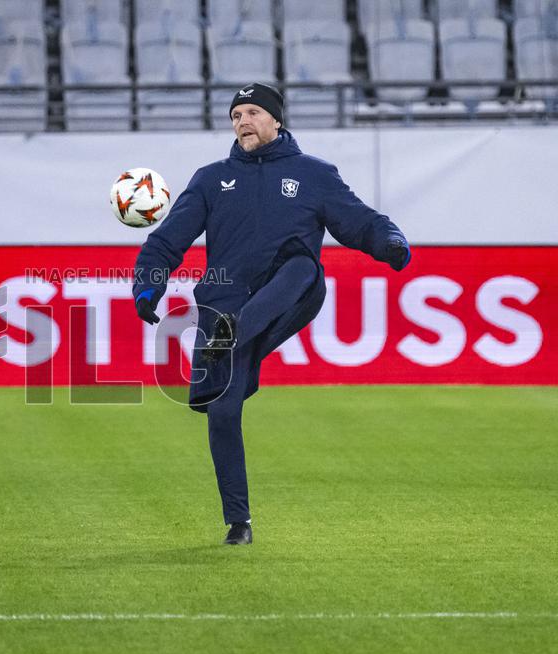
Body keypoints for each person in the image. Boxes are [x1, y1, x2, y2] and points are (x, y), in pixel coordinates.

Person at [132, 83, 411, 545]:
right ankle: (238, 523)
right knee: (221, 413)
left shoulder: (314, 174)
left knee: (303, 265)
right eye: (236, 113)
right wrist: (148, 285)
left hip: (291, 296)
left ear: (276, 120)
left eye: (253, 111)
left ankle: (234, 333)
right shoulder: (209, 179)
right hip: (223, 308)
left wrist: (391, 243)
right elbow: (166, 241)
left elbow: (359, 220)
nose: (243, 120)